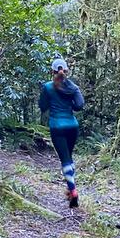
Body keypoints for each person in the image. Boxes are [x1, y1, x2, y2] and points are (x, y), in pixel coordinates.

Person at [38, 57, 85, 206]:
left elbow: (43, 106)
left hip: (57, 127)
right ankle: (70, 191)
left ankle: (73, 190)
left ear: (52, 71)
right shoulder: (73, 87)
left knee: (65, 160)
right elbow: (79, 106)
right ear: (66, 71)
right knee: (69, 158)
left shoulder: (47, 87)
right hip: (72, 126)